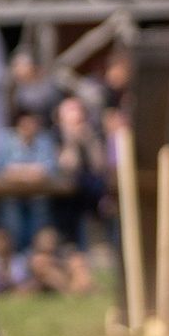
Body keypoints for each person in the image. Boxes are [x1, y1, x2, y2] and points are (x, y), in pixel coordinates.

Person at [0, 110, 59, 252]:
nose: (29, 127)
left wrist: (19, 171)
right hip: (10, 196)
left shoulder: (44, 140)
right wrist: (28, 172)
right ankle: (16, 257)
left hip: (37, 197)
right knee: (12, 222)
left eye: (32, 123)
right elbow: (0, 168)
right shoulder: (4, 139)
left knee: (39, 221)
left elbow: (48, 169)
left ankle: (34, 256)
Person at [48, 94, 111, 250]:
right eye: (69, 110)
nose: (75, 115)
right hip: (62, 193)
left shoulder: (93, 134)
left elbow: (99, 165)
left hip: (87, 192)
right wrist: (71, 141)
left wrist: (88, 141)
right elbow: (68, 166)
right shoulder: (54, 135)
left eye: (77, 110)